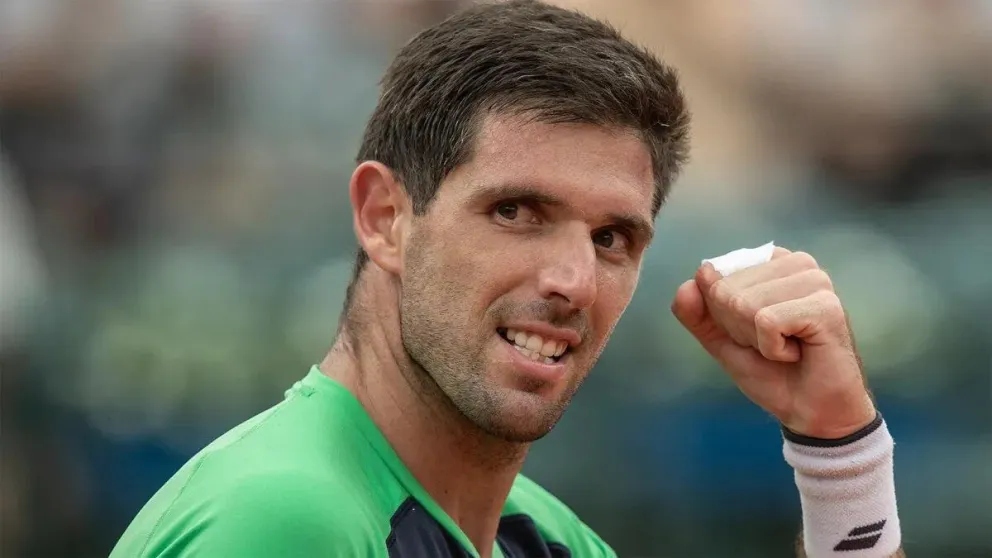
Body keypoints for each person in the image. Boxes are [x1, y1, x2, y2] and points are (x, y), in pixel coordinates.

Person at [110, 1, 904, 556]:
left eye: (612, 237)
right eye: (516, 211)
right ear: (386, 216)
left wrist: (841, 452)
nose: (573, 280)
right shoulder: (284, 521)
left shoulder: (546, 538)